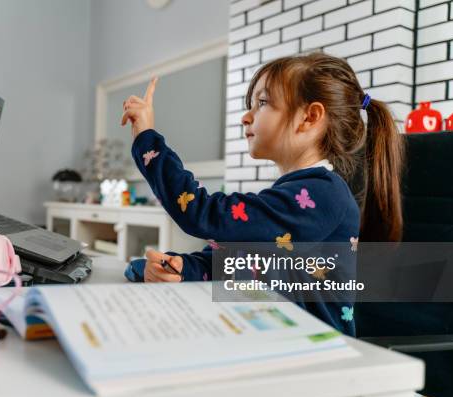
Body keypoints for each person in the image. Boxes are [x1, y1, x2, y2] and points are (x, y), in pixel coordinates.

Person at [121, 52, 404, 335]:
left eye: (263, 103)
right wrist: (182, 268)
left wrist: (146, 137)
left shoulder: (323, 196)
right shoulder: (295, 195)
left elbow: (202, 213)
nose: (246, 117)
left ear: (310, 116)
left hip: (313, 355)